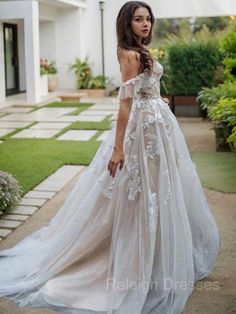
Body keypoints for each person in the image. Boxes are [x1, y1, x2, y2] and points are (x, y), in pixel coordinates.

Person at [0, 1, 220, 313]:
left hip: (157, 127)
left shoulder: (140, 50)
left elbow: (146, 88)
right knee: (141, 193)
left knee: (158, 188)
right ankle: (134, 262)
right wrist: (119, 147)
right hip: (141, 132)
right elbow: (124, 105)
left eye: (148, 19)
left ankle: (156, 256)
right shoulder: (130, 54)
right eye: (138, 20)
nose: (145, 24)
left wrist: (158, 97)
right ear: (127, 24)